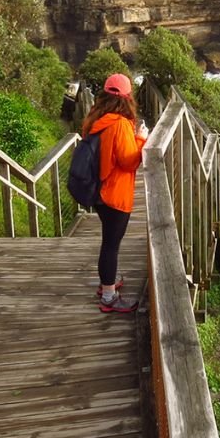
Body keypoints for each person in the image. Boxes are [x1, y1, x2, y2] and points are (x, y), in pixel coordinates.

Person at [80, 73, 149, 313]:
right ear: (128, 97)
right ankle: (109, 296)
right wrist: (141, 139)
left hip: (98, 191)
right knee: (111, 245)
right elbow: (129, 161)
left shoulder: (94, 118)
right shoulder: (119, 124)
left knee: (109, 242)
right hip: (115, 194)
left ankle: (106, 283)